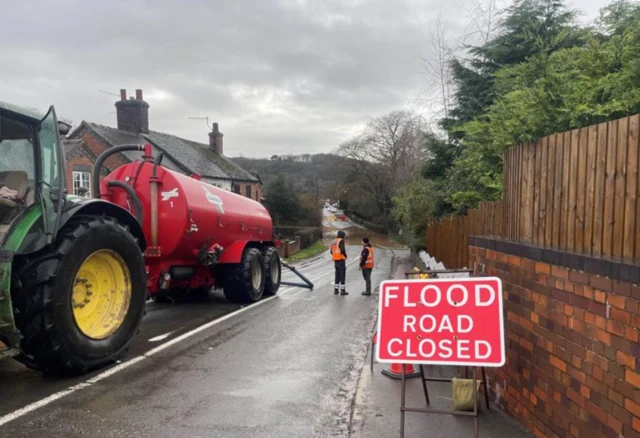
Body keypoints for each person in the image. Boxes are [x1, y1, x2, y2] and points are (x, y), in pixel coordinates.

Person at [330, 230, 348, 295]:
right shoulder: (341, 240)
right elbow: (342, 250)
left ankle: (336, 290)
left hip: (336, 261)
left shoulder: (334, 241)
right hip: (341, 260)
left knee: (337, 275)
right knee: (342, 275)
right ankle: (343, 290)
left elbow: (331, 252)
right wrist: (345, 255)